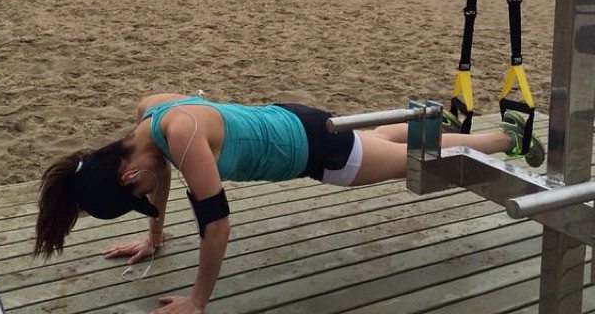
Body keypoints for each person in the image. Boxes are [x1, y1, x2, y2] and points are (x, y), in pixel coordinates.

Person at [34, 92, 545, 314]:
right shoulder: (151, 116)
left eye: (140, 195)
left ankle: (507, 138)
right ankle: (433, 123)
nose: (151, 196)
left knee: (422, 161)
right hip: (296, 120)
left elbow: (217, 225)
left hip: (317, 153)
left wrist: (197, 301)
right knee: (378, 141)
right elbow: (159, 177)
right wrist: (154, 235)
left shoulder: (182, 139)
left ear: (127, 174)